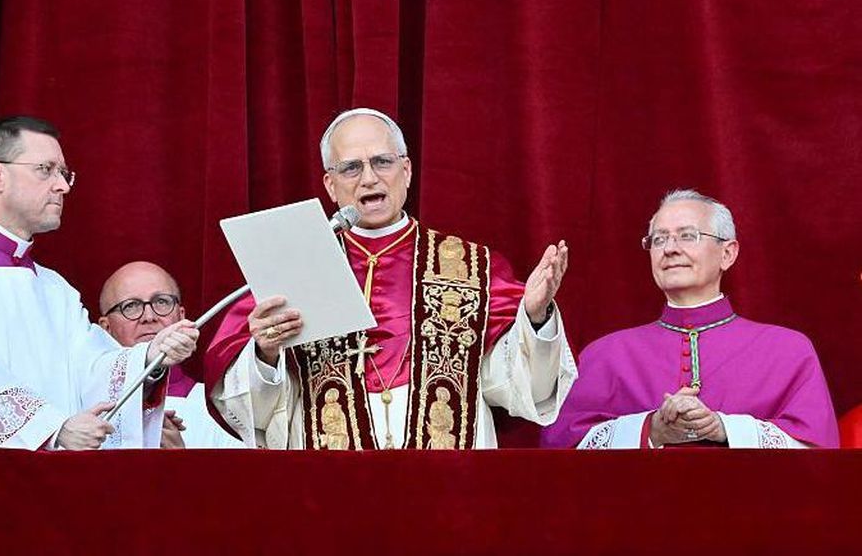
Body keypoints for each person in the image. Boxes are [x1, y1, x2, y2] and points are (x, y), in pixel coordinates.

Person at [204, 108, 577, 449]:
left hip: (448, 483)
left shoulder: (470, 267)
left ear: (407, 171)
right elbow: (257, 413)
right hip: (328, 485)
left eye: (382, 161)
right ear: (330, 185)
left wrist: (535, 317)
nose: (369, 178)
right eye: (351, 168)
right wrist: (266, 353)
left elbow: (515, 385)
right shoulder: (293, 267)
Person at [0, 116, 199, 450]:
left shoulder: (56, 290)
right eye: (46, 170)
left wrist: (149, 357)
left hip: (44, 477)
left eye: (64, 173)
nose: (63, 186)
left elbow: (91, 369)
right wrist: (52, 429)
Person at [541, 189, 839, 449]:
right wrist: (651, 429)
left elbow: (819, 453)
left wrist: (724, 428)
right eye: (659, 239)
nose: (670, 249)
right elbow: (562, 449)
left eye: (687, 235)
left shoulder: (788, 350)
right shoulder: (605, 354)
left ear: (727, 254)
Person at [98, 261, 244, 449]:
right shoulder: (83, 404)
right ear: (106, 327)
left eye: (161, 302)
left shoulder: (222, 405)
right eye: (131, 306)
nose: (149, 317)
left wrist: (181, 460)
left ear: (181, 316)